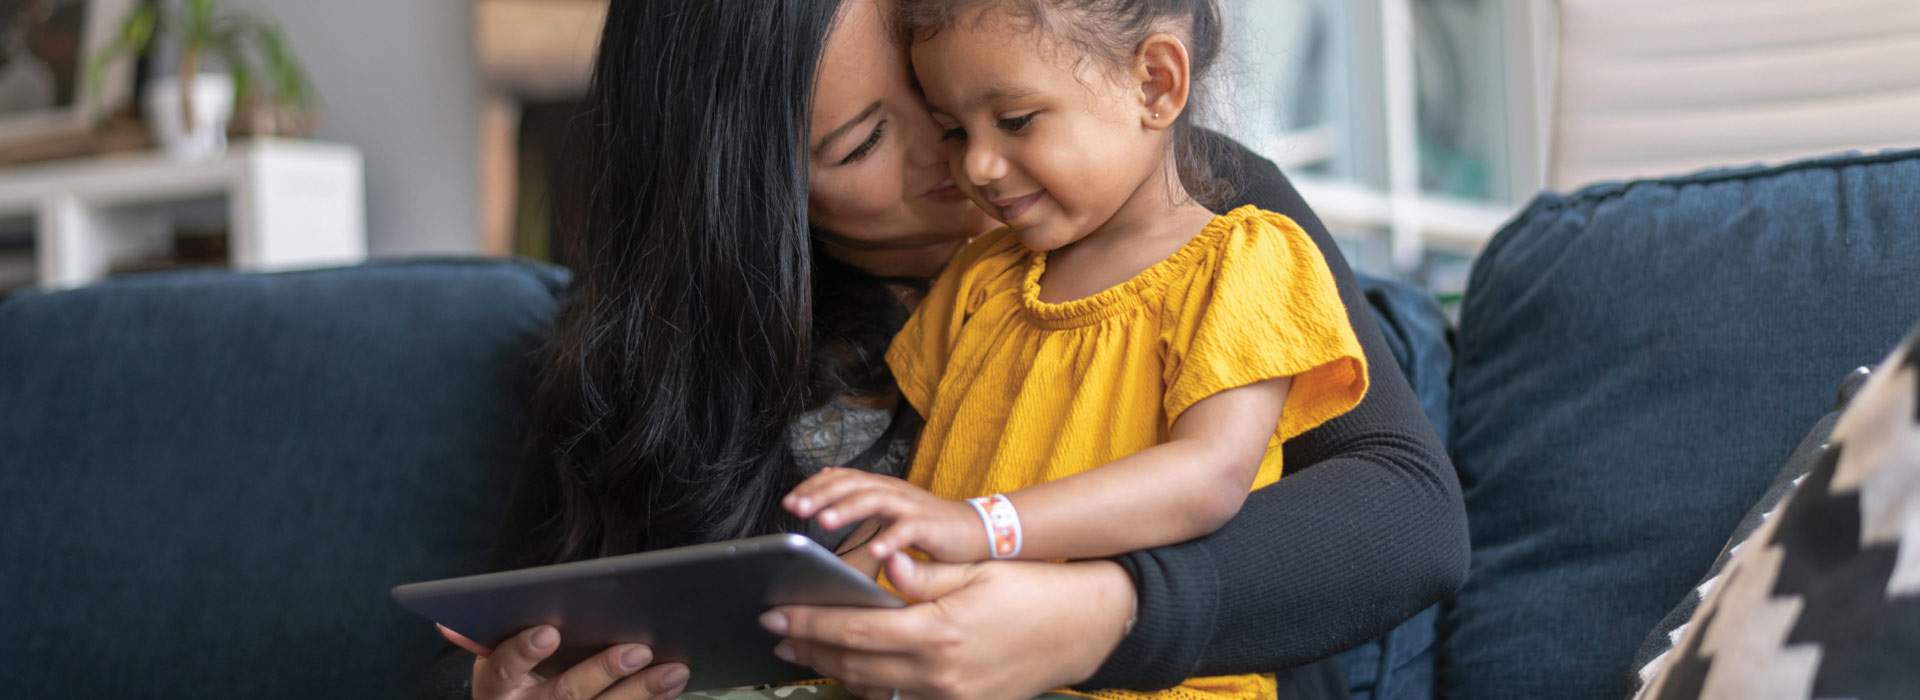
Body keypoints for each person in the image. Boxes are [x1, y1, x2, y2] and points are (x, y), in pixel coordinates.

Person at [423, 2, 1468, 700]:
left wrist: (1105, 612)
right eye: (869, 142)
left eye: (985, 104)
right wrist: (519, 679)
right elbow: (515, 614)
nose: (969, 161)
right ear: (750, 202)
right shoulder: (665, 354)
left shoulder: (1168, 189)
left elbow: (1408, 514)